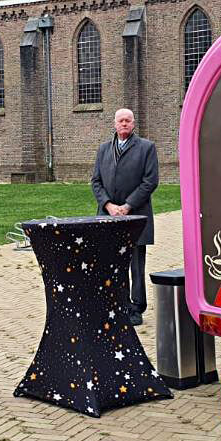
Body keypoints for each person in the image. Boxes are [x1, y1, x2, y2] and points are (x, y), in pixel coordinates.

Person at [91, 108, 159, 326]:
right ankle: (116, 304)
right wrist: (109, 205)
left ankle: (136, 307)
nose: (124, 124)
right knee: (112, 262)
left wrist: (128, 205)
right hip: (108, 216)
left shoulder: (147, 148)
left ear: (133, 123)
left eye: (128, 121)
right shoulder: (103, 150)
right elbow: (96, 182)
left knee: (136, 264)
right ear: (114, 123)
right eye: (120, 120)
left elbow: (150, 181)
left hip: (135, 216)